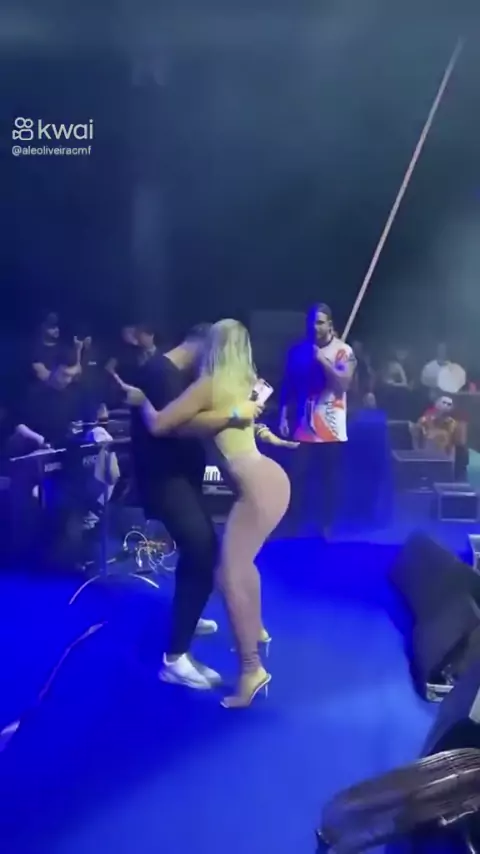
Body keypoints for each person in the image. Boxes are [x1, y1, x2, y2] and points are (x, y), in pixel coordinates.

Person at [117, 320, 297, 708]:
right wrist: (241, 417)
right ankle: (255, 630)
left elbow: (162, 423)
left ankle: (251, 670)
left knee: (229, 575)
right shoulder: (246, 382)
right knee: (241, 565)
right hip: (272, 480)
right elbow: (217, 423)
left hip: (258, 489)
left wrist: (141, 401)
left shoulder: (210, 385)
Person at [279, 303, 356, 537]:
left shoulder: (343, 351)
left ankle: (327, 525)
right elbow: (288, 385)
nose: (315, 327)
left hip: (330, 426)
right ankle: (293, 523)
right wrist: (283, 415)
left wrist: (322, 360)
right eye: (311, 322)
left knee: (329, 480)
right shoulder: (297, 351)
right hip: (303, 424)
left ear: (330, 325)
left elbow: (343, 384)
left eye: (320, 322)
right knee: (297, 476)